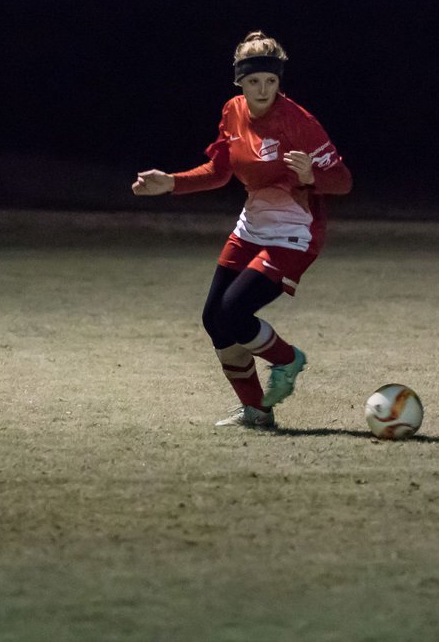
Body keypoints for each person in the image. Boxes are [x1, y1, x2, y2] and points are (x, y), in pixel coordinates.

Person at [132, 31, 352, 428]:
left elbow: (343, 181)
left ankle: (288, 360)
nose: (263, 88)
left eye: (270, 80)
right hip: (251, 228)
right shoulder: (232, 111)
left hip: (294, 234)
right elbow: (219, 173)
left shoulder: (300, 123)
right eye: (254, 81)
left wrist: (313, 175)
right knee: (214, 319)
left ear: (279, 81)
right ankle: (256, 410)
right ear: (240, 82)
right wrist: (172, 182)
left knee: (234, 313)